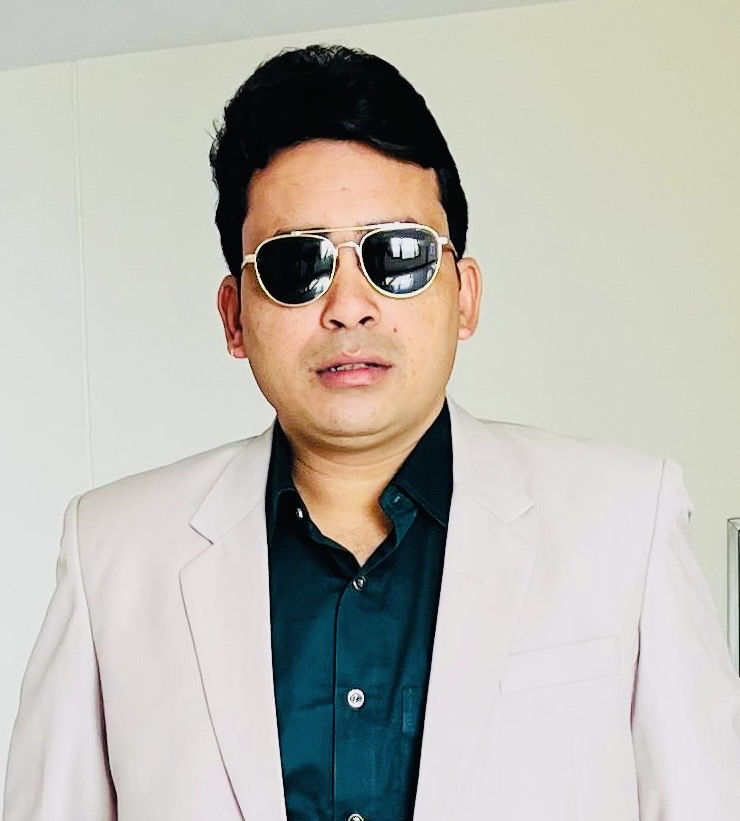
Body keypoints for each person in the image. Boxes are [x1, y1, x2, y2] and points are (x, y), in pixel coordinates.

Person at [4, 44, 740, 821]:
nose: (349, 306)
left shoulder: (624, 523)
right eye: (298, 265)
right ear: (234, 316)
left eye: (398, 256)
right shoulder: (115, 553)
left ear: (465, 296)